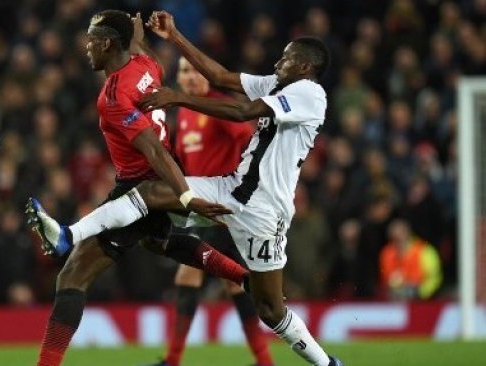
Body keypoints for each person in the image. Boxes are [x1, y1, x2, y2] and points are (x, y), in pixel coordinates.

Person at [29, 11, 343, 366]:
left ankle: (326, 363)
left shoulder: (310, 94)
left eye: (286, 57)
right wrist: (174, 36)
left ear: (304, 66)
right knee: (151, 201)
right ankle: (68, 234)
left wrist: (178, 98)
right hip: (232, 189)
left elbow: (243, 113)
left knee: (271, 311)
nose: (278, 60)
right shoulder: (277, 84)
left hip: (263, 208)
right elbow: (220, 76)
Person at [26, 11, 250, 366]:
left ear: (107, 43)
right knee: (160, 241)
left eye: (91, 40)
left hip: (140, 188)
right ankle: (244, 277)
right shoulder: (148, 64)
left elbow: (154, 150)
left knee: (72, 275)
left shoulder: (113, 95)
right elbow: (147, 58)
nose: (86, 47)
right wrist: (138, 37)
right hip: (156, 180)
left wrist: (186, 197)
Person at [145, 57, 273, 366]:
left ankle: (173, 360)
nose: (188, 77)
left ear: (206, 76)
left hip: (222, 209)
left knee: (188, 273)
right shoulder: (187, 113)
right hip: (204, 211)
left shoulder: (219, 110)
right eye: (183, 72)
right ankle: (265, 361)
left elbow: (253, 142)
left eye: (193, 71)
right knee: (233, 284)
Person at [379, 218, 442, 300]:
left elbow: (434, 278)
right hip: (395, 300)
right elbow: (385, 278)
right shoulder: (386, 253)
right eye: (394, 238)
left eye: (401, 235)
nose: (399, 240)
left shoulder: (425, 251)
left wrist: (419, 292)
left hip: (422, 300)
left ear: (408, 233)